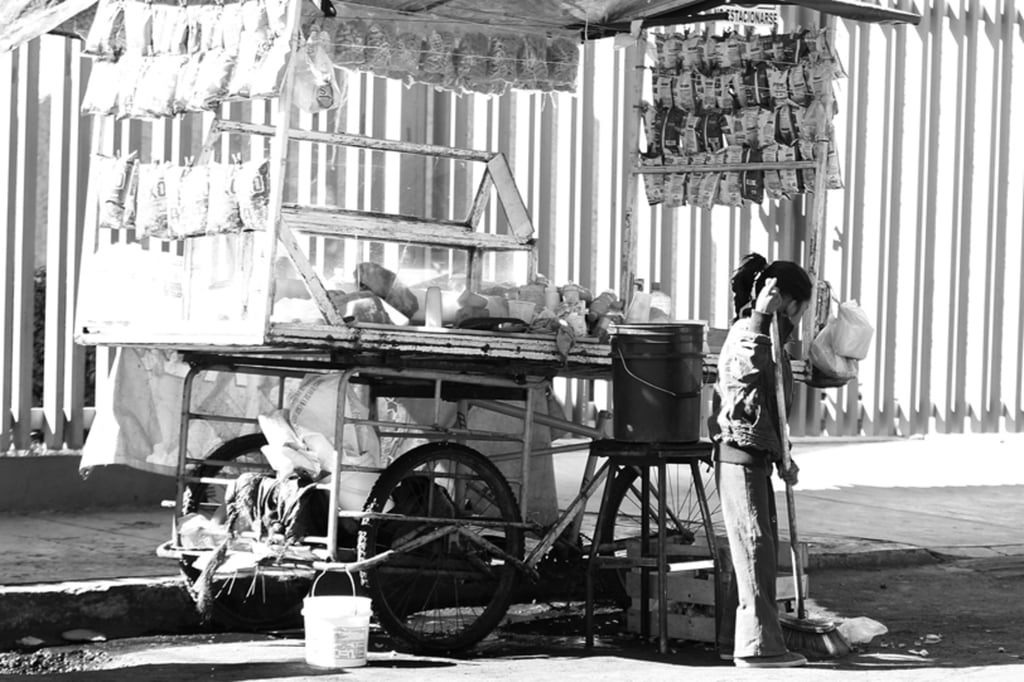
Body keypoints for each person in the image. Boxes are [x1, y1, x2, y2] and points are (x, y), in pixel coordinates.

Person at [711, 252, 812, 669]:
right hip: (740, 458)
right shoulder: (748, 334)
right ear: (788, 302)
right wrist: (759, 317)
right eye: (802, 306)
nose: (802, 316)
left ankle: (731, 640)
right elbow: (747, 380)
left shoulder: (773, 341)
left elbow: (771, 405)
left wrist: (783, 454)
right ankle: (760, 649)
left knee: (755, 554)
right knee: (755, 550)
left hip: (758, 458)